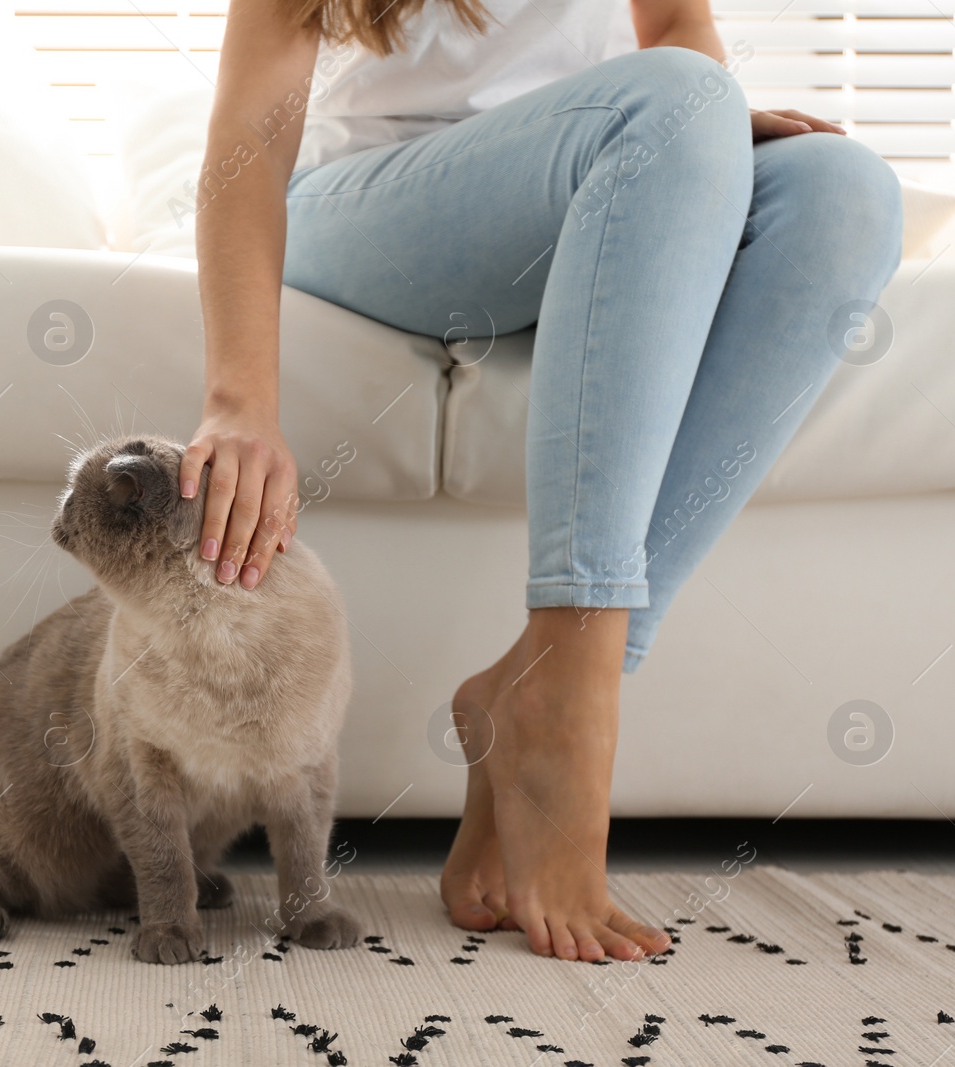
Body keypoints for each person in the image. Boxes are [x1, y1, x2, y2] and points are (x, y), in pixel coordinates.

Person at [174, 0, 904, 963]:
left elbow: (680, 24)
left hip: (607, 170)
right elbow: (249, 141)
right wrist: (240, 400)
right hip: (372, 210)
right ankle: (563, 719)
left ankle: (542, 678)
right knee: (680, 102)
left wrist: (706, 136)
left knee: (841, 190)